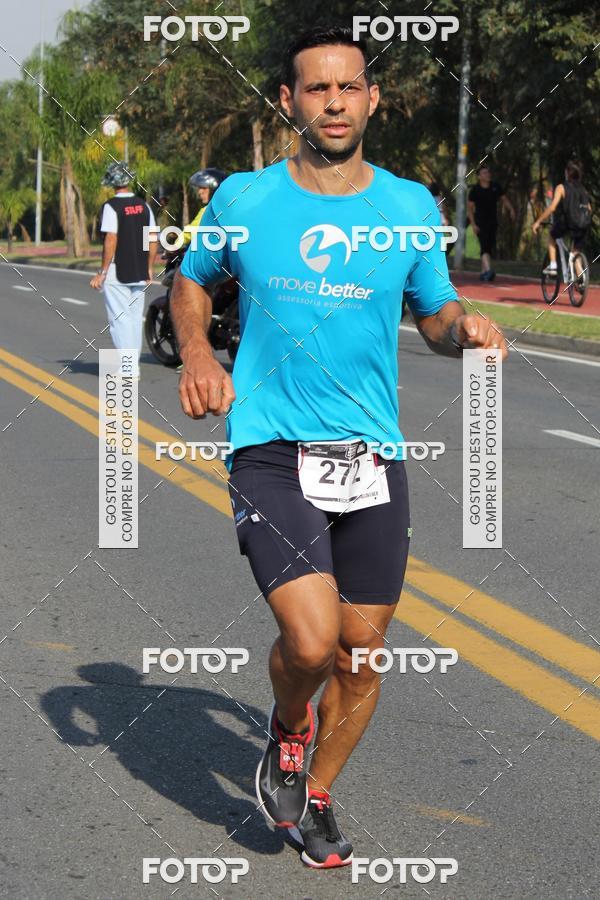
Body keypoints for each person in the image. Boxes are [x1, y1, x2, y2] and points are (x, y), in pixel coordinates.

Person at [170, 25, 508, 869]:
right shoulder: (246, 200)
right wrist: (204, 351)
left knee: (361, 654)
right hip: (274, 446)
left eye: (348, 87)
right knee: (314, 643)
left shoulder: (405, 207)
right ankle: (288, 728)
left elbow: (430, 314)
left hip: (372, 454)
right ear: (289, 102)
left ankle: (314, 792)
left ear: (371, 99)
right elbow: (188, 282)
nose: (333, 102)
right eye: (316, 89)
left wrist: (461, 329)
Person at [90, 162, 158, 379]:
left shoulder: (110, 207)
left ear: (111, 183)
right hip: (139, 271)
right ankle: (132, 366)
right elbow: (153, 238)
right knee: (134, 319)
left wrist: (102, 271)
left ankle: (128, 368)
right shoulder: (144, 206)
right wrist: (149, 267)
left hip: (117, 272)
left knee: (119, 320)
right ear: (129, 181)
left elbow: (111, 238)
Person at [532, 160, 592, 278]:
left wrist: (538, 222)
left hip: (568, 224)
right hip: (584, 225)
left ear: (567, 173)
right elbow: (589, 208)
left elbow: (552, 207)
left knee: (552, 235)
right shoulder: (583, 190)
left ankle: (553, 266)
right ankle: (581, 280)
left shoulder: (561, 187)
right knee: (575, 253)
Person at [467, 164, 515, 282]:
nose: (487, 174)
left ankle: (483, 272)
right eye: (484, 173)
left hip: (493, 221)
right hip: (480, 222)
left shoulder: (495, 187)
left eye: (488, 172)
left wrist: (511, 209)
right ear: (479, 176)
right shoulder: (475, 190)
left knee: (489, 246)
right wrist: (473, 224)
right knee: (484, 245)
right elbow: (469, 209)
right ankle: (489, 271)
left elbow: (504, 199)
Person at [181, 168, 226, 245]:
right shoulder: (230, 208)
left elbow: (190, 232)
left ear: (214, 189)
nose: (200, 192)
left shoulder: (210, 210)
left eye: (204, 188)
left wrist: (173, 246)